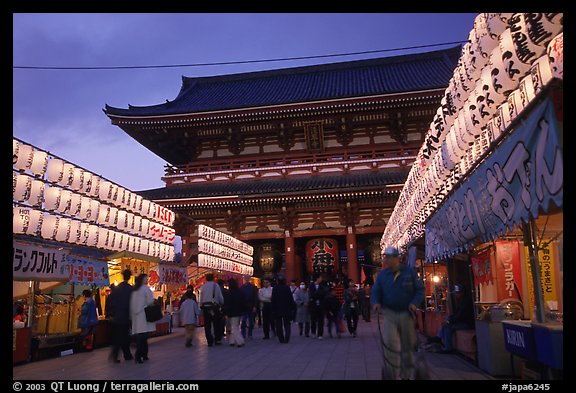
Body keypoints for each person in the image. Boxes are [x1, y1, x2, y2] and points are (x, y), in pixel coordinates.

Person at [372, 246, 425, 380]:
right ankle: (392, 373)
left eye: (389, 257)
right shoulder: (383, 275)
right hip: (389, 313)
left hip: (407, 313)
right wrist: (376, 302)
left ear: (397, 258)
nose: (386, 260)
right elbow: (376, 291)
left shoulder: (409, 272)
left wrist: (415, 302)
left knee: (408, 345)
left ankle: (408, 375)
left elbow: (420, 290)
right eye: (386, 258)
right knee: (389, 343)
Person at [437, 284, 475, 353]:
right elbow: (457, 315)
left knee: (448, 328)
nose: (456, 295)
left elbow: (460, 316)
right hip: (462, 321)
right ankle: (439, 339)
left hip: (467, 323)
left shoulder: (466, 302)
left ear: (462, 293)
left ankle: (448, 348)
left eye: (457, 293)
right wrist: (449, 320)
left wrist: (449, 321)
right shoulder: (461, 301)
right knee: (446, 323)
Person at [106, 269, 134, 362]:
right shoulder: (130, 289)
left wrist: (110, 314)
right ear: (130, 277)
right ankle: (127, 355)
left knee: (118, 337)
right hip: (126, 317)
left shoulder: (117, 288)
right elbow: (132, 304)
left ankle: (116, 355)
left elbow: (110, 301)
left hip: (116, 317)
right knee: (125, 337)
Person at [130, 274, 156, 363]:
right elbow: (150, 301)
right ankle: (139, 355)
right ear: (142, 279)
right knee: (143, 337)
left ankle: (144, 355)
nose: (147, 280)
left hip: (136, 317)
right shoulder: (145, 289)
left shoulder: (134, 290)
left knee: (141, 337)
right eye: (146, 278)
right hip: (144, 316)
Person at [199, 274, 225, 347]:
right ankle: (217, 339)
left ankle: (209, 341)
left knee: (207, 325)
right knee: (216, 323)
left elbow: (201, 298)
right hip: (214, 307)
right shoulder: (216, 286)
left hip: (206, 307)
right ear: (213, 278)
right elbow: (220, 297)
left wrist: (201, 306)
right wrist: (222, 303)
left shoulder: (203, 287)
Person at [271, 276, 297, 343]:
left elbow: (273, 299)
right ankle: (287, 338)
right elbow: (290, 298)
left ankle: (281, 338)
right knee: (287, 324)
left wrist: (273, 309)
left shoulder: (275, 288)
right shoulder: (287, 288)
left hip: (277, 309)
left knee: (278, 324)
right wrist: (292, 307)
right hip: (286, 308)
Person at [224, 278, 247, 347]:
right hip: (238, 311)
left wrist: (226, 312)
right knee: (235, 326)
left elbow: (228, 303)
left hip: (232, 312)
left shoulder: (229, 292)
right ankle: (232, 341)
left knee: (233, 327)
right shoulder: (239, 291)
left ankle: (240, 341)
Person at [308, 274, 328, 339]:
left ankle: (320, 334)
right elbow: (311, 295)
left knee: (320, 320)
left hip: (320, 305)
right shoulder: (311, 286)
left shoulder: (322, 286)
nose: (321, 279)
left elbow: (323, 293)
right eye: (320, 278)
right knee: (313, 320)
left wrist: (316, 294)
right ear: (317, 278)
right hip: (313, 305)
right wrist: (318, 294)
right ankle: (313, 332)